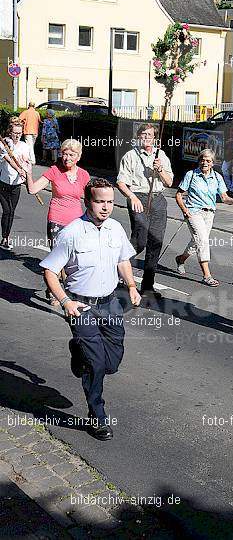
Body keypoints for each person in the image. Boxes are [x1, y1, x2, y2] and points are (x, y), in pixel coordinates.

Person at [40, 178, 141, 441]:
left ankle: (79, 352)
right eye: (100, 202)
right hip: (81, 306)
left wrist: (131, 285)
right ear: (88, 202)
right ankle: (98, 417)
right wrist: (65, 302)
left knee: (112, 362)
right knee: (96, 365)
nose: (106, 207)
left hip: (110, 304)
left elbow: (123, 259)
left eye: (110, 202)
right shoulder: (71, 232)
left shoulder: (116, 228)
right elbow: (49, 271)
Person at [26, 139, 90, 305]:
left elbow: (91, 200)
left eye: (71, 154)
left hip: (76, 222)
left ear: (79, 156)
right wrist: (28, 172)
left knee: (73, 259)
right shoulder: (54, 171)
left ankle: (53, 288)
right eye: (65, 154)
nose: (67, 157)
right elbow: (32, 189)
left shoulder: (84, 175)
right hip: (56, 220)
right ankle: (65, 295)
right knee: (58, 258)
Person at [116, 123, 173, 295]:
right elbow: (120, 182)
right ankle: (119, 268)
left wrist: (160, 169)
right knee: (140, 240)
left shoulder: (161, 155)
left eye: (150, 135)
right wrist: (132, 197)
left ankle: (147, 286)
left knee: (155, 243)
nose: (147, 137)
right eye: (143, 134)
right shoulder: (130, 156)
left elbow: (169, 182)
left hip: (158, 200)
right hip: (138, 198)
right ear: (138, 137)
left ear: (155, 138)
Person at [175, 149, 233, 286]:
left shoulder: (217, 177)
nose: (204, 162)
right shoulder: (191, 175)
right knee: (203, 240)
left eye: (208, 160)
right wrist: (185, 210)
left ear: (213, 163)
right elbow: (178, 195)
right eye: (202, 160)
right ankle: (207, 276)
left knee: (197, 242)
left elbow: (224, 198)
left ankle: (181, 259)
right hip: (193, 212)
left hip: (210, 213)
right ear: (199, 160)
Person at [0, 119, 32, 250]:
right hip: (3, 182)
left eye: (20, 133)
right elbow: (8, 158)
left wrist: (25, 168)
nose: (17, 135)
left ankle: (6, 237)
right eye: (15, 132)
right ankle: (5, 236)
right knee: (6, 211)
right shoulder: (4, 143)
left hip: (16, 183)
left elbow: (26, 160)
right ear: (10, 132)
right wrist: (18, 169)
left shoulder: (24, 145)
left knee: (11, 211)